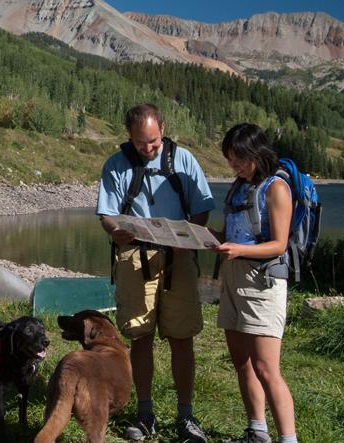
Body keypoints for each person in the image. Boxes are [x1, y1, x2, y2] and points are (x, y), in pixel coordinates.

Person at [97, 104, 214, 443]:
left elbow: (203, 209)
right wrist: (114, 230)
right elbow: (107, 213)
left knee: (182, 337)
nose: (147, 149)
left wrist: (187, 239)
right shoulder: (116, 164)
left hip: (178, 258)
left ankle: (186, 416)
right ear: (129, 136)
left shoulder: (184, 160)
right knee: (140, 335)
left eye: (152, 142)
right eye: (139, 143)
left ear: (162, 128)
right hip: (135, 258)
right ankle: (145, 413)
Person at [213, 123, 298, 443]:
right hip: (233, 278)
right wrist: (211, 240)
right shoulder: (238, 186)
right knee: (242, 362)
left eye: (239, 160)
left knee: (266, 368)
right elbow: (232, 234)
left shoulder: (276, 187)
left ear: (257, 153)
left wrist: (239, 250)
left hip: (262, 281)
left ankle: (288, 438)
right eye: (230, 160)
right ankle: (256, 430)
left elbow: (279, 244)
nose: (234, 166)